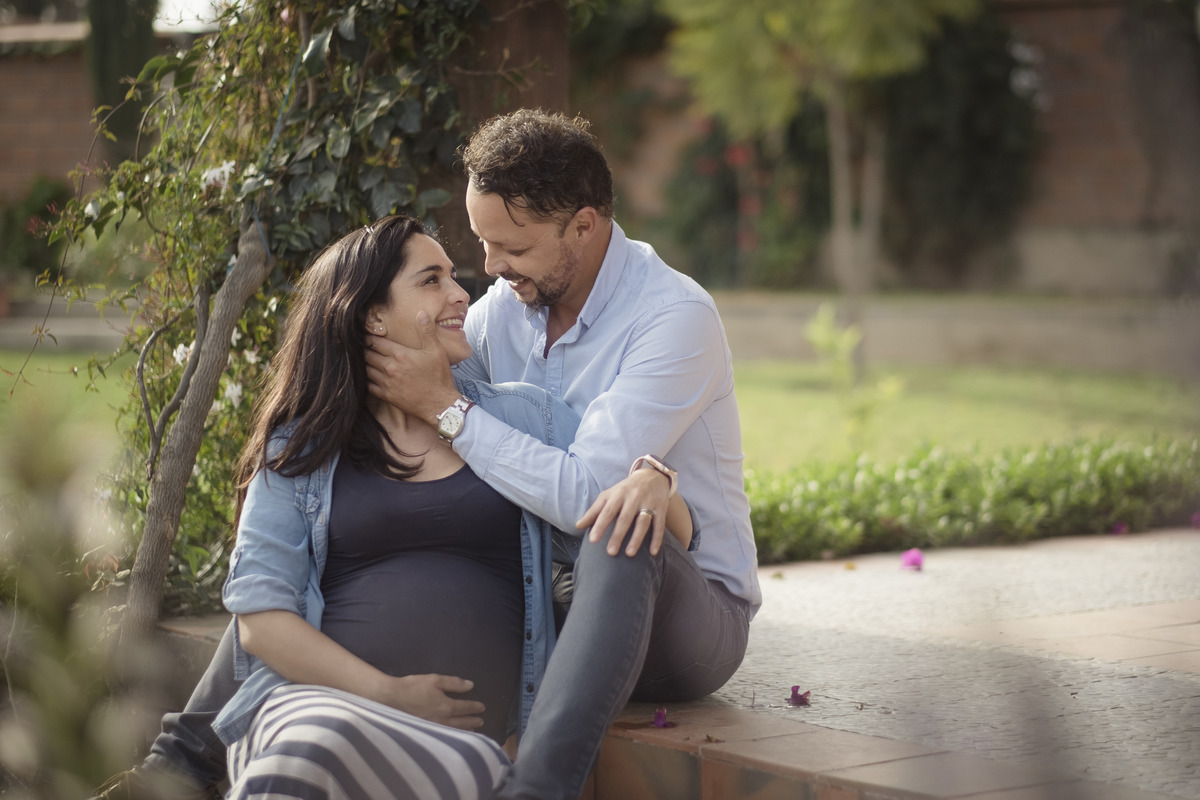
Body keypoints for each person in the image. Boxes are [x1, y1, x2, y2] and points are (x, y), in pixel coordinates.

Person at [111, 215, 693, 800]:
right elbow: (260, 620)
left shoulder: (524, 418)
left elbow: (639, 517)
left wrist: (655, 480)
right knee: (315, 745)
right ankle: (177, 769)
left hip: (461, 746)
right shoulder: (304, 444)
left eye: (453, 278)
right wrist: (387, 694)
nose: (462, 293)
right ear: (373, 315)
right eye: (431, 280)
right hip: (315, 711)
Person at [362, 108, 760, 800]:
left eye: (510, 246)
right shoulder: (499, 313)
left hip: (686, 616)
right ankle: (198, 744)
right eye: (483, 243)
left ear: (584, 224)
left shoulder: (673, 318)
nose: (488, 267)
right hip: (541, 595)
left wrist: (447, 408)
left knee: (617, 521)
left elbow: (584, 496)